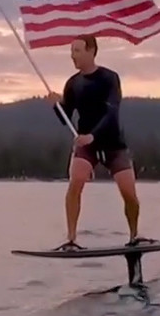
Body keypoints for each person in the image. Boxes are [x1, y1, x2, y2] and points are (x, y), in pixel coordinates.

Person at [45, 34, 152, 251]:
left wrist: (93, 135)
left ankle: (134, 235)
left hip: (113, 143)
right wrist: (56, 106)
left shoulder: (109, 78)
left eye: (77, 51)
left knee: (129, 193)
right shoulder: (73, 83)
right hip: (87, 145)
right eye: (71, 51)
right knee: (75, 182)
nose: (72, 56)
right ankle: (71, 239)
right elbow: (66, 119)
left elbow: (112, 112)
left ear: (91, 51)